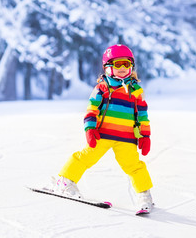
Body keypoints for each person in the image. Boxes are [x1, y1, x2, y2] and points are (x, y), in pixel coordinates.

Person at [54, 44, 153, 212]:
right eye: (118, 64)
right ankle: (64, 182)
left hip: (127, 138)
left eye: (126, 64)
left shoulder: (136, 90)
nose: (122, 68)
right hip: (102, 135)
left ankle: (144, 195)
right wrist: (90, 129)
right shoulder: (102, 88)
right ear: (108, 67)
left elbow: (142, 115)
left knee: (135, 166)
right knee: (85, 158)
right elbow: (91, 110)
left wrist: (145, 136)